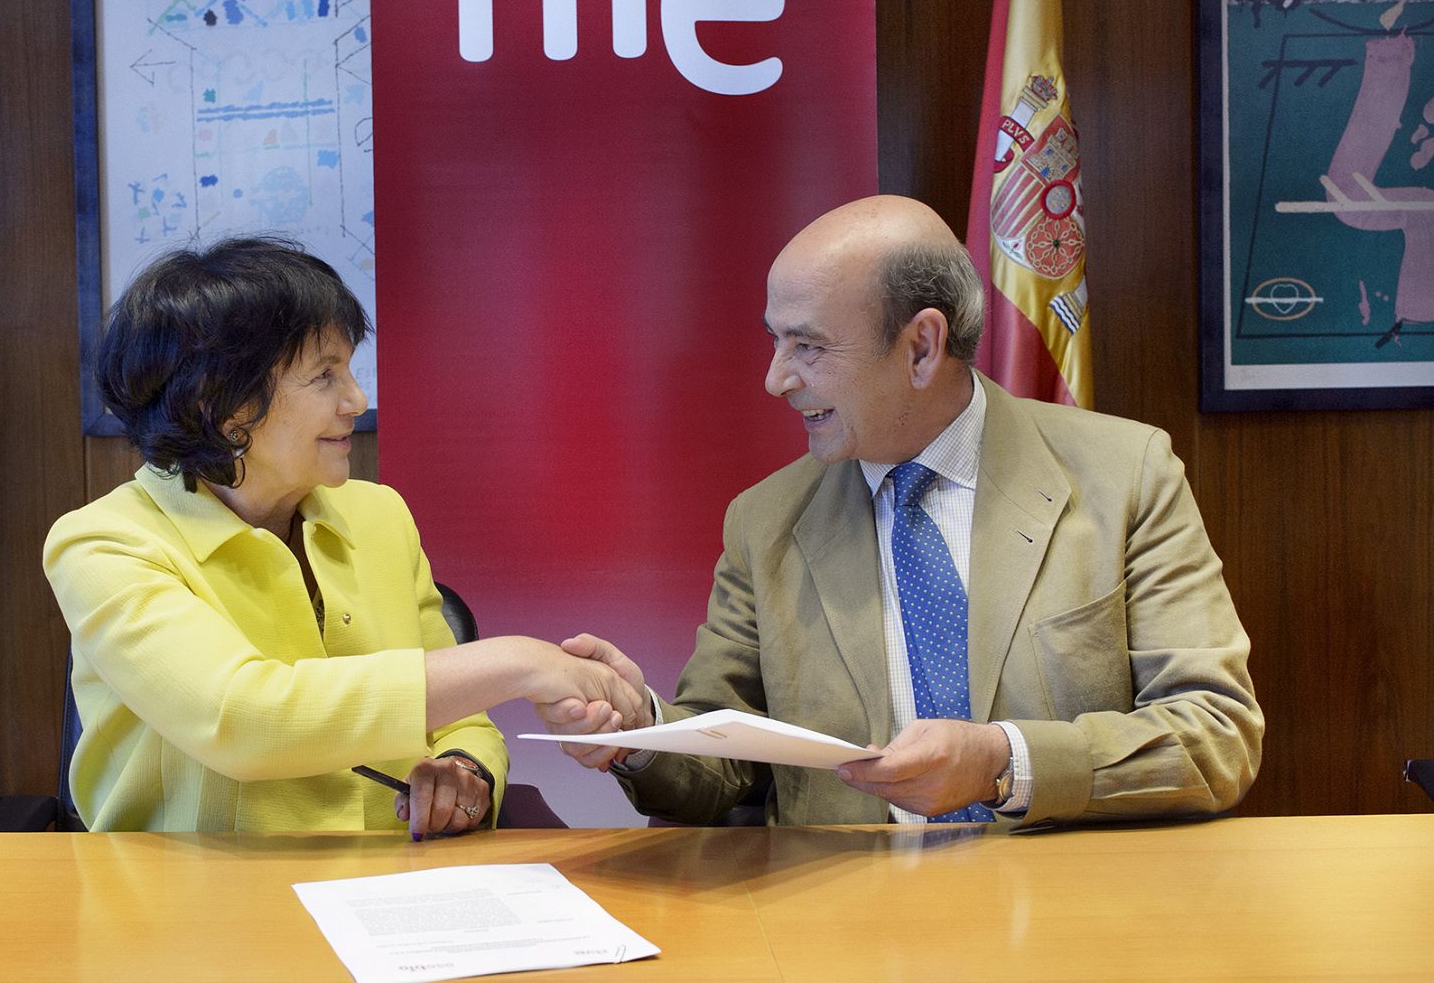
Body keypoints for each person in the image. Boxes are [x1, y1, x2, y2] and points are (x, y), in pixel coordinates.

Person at [541, 195, 1263, 828]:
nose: (775, 378)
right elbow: (726, 761)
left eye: (810, 345)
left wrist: (1005, 763)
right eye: (775, 338)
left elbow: (1216, 735)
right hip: (848, 928)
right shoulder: (765, 523)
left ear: (921, 346)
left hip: (1076, 915)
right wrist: (642, 731)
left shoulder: (1125, 476)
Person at [45, 236, 643, 835]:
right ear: (217, 403)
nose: (357, 399)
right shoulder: (102, 543)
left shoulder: (379, 514)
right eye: (325, 375)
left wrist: (466, 770)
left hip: (384, 896)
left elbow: (464, 724)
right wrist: (521, 661)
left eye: (351, 369)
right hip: (188, 906)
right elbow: (242, 721)